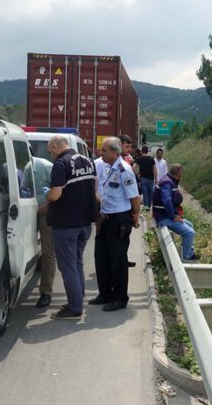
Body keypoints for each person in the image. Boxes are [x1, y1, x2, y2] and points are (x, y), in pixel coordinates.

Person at [46, 135, 97, 320]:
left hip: (66, 224)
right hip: (85, 223)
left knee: (68, 267)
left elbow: (55, 195)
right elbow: (95, 189)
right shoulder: (87, 161)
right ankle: (77, 298)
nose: (51, 154)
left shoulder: (61, 164)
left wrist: (47, 196)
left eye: (50, 150)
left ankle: (75, 308)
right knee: (76, 263)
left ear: (55, 146)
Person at [90, 137, 141, 312]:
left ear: (114, 152)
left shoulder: (124, 170)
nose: (100, 153)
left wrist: (135, 216)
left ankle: (120, 298)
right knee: (101, 257)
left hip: (120, 219)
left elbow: (134, 197)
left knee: (118, 260)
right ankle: (105, 293)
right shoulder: (109, 168)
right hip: (106, 218)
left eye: (103, 150)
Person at [153, 163, 199, 262]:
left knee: (189, 225)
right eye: (181, 173)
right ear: (178, 173)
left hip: (164, 215)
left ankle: (187, 251)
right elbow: (167, 201)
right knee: (189, 233)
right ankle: (187, 257)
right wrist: (173, 216)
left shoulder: (168, 180)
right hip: (163, 217)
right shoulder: (167, 183)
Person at [33, 156, 56, 308]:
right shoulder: (33, 165)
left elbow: (57, 192)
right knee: (48, 253)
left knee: (48, 253)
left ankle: (46, 291)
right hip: (34, 209)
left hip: (45, 211)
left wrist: (46, 205)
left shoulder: (39, 165)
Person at [134, 145, 156, 210]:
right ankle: (149, 205)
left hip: (143, 178)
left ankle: (146, 206)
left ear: (142, 151)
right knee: (150, 192)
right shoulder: (151, 159)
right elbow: (154, 169)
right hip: (151, 178)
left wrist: (137, 174)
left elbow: (134, 167)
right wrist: (156, 179)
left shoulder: (139, 159)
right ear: (147, 151)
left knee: (145, 193)